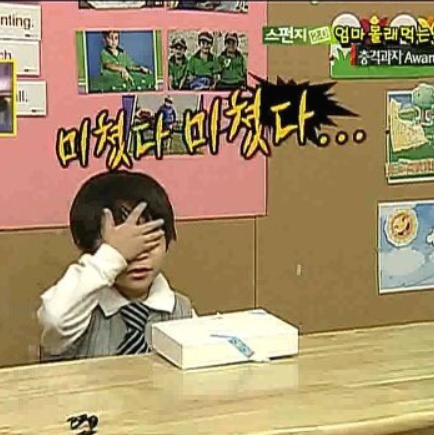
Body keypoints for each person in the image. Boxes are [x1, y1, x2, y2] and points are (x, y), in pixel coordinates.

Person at [37, 171, 194, 361]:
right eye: (124, 244)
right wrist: (113, 256)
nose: (138, 255)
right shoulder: (78, 308)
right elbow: (55, 319)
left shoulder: (181, 312)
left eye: (149, 240)